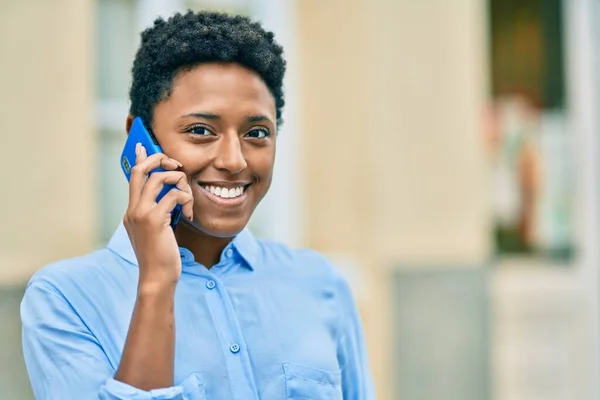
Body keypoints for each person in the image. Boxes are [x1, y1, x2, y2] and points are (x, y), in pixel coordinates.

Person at [20, 10, 374, 400]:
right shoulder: (65, 298)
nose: (234, 160)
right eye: (201, 131)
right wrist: (156, 284)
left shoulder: (320, 283)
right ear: (138, 140)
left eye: (257, 133)